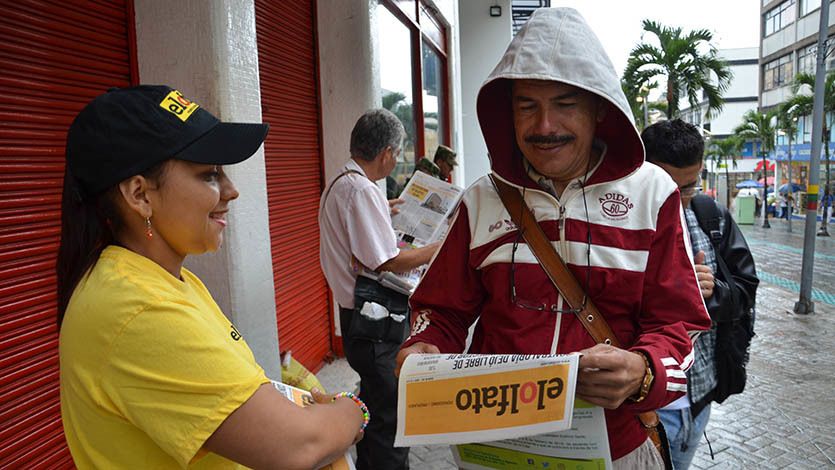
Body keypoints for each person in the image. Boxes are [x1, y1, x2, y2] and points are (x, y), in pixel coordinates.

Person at [397, 8, 711, 468]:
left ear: (599, 108)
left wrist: (643, 372)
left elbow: (678, 323)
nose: (544, 126)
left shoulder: (652, 194)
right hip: (493, 446)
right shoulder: (482, 198)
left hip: (611, 448)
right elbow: (441, 309)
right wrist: (423, 345)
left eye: (565, 104)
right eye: (527, 105)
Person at [57, 86, 366, 469]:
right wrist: (352, 411)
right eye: (210, 175)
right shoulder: (137, 308)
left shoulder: (168, 281)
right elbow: (298, 445)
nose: (232, 191)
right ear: (139, 194)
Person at [318, 108, 439, 470]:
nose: (396, 160)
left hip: (359, 322)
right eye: (397, 153)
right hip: (375, 325)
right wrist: (437, 248)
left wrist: (381, 210)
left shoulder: (343, 183)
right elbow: (385, 261)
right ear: (386, 153)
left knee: (374, 408)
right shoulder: (360, 190)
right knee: (392, 420)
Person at [643, 120, 759, 470]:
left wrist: (710, 293)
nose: (676, 199)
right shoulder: (617, 223)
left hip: (697, 397)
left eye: (688, 187)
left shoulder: (711, 216)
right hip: (641, 401)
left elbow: (745, 289)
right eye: (665, 186)